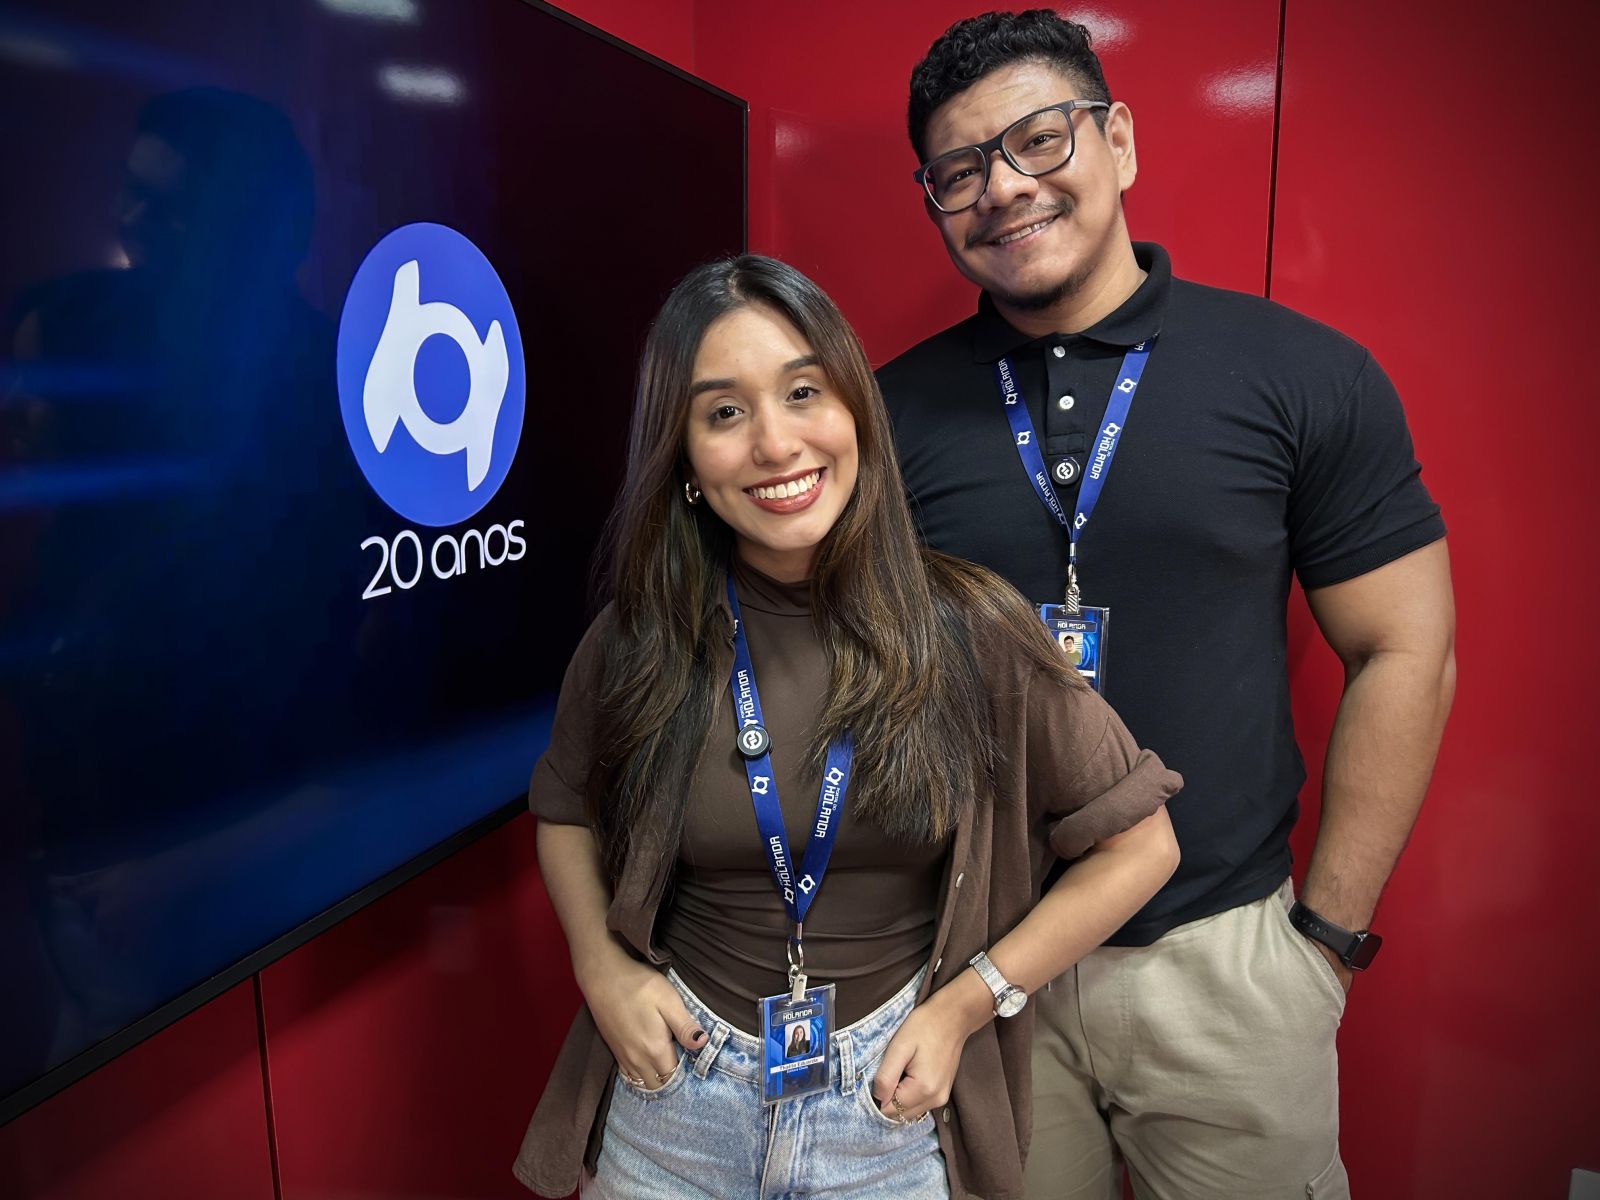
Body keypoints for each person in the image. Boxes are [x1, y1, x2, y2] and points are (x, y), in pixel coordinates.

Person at [877, 12, 1457, 1200]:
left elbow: (1405, 648)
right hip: (989, 972)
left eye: (1039, 141)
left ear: (1119, 141)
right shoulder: (885, 415)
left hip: (1225, 961)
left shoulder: (1298, 373)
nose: (1004, 188)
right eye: (959, 170)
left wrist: (1324, 945)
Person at [511, 254, 1182, 1200]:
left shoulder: (973, 630)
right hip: (676, 1103)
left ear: (857, 411)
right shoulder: (639, 637)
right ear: (687, 461)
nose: (776, 444)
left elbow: (1141, 844)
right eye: (724, 412)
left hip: (888, 1109)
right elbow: (566, 810)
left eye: (802, 391)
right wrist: (599, 966)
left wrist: (963, 1007)